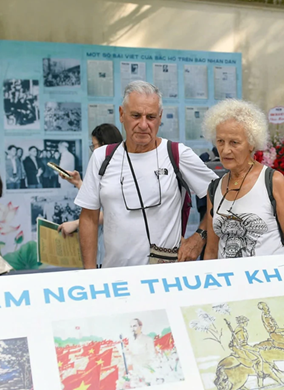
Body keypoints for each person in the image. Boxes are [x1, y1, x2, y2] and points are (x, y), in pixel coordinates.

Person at [75, 81, 216, 268]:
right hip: (115, 277)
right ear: (121, 115)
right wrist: (90, 273)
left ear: (160, 117)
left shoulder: (176, 154)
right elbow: (89, 217)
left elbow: (221, 194)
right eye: (136, 116)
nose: (143, 125)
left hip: (167, 278)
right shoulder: (102, 157)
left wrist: (200, 237)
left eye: (150, 117)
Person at [201, 100, 284, 259]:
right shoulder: (215, 189)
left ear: (251, 144)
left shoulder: (272, 181)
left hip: (271, 280)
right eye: (220, 141)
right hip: (231, 282)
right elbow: (212, 250)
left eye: (234, 142)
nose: (225, 150)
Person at [58, 124, 123, 267]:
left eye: (94, 146)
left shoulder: (122, 172)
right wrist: (78, 183)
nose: (93, 151)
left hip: (119, 254)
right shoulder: (103, 168)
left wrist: (76, 223)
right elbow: (98, 200)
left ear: (104, 145)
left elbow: (115, 213)